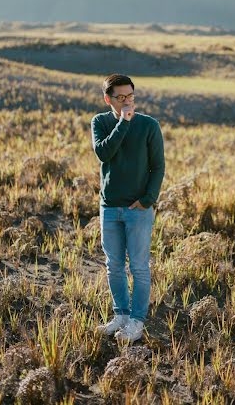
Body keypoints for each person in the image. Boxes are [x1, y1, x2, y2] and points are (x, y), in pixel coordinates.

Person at [91, 74, 165, 342]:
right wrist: (123, 123)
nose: (126, 102)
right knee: (114, 266)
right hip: (109, 207)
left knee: (139, 267)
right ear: (107, 99)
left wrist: (148, 199)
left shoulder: (149, 125)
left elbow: (158, 167)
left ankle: (136, 321)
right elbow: (104, 153)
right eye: (120, 97)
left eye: (130, 97)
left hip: (138, 209)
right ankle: (120, 315)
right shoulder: (100, 122)